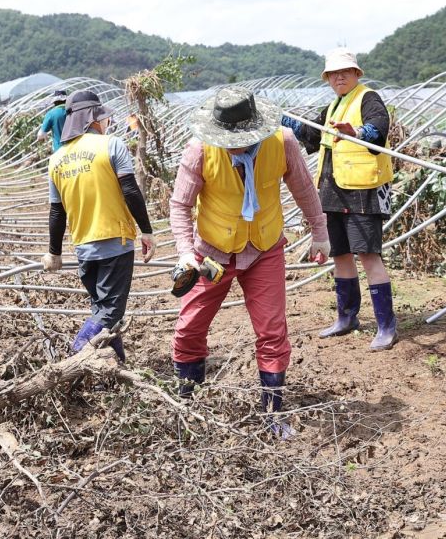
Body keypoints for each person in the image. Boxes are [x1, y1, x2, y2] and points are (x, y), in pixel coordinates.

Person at [169, 86, 329, 432]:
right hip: (212, 254)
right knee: (189, 327)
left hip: (264, 247)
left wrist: (320, 233)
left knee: (272, 330)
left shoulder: (283, 141)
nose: (235, 144)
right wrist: (185, 253)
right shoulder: (200, 149)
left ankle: (273, 413)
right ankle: (187, 405)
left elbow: (304, 188)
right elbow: (180, 205)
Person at [281, 47, 398, 351]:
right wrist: (281, 119)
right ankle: (347, 317)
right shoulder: (333, 106)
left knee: (368, 255)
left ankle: (387, 326)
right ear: (328, 79)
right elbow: (309, 134)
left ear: (356, 74)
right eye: (333, 74)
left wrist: (357, 132)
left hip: (362, 191)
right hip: (332, 190)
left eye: (345, 72)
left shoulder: (368, 98)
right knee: (340, 254)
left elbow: (378, 129)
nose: (339, 77)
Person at [43, 90, 156, 361]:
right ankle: (78, 351)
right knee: (112, 311)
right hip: (115, 241)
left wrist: (54, 252)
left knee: (102, 309)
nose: (106, 123)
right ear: (93, 118)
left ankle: (117, 364)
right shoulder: (111, 145)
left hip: (83, 246)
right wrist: (147, 232)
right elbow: (130, 191)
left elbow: (56, 212)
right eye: (103, 117)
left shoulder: (56, 159)